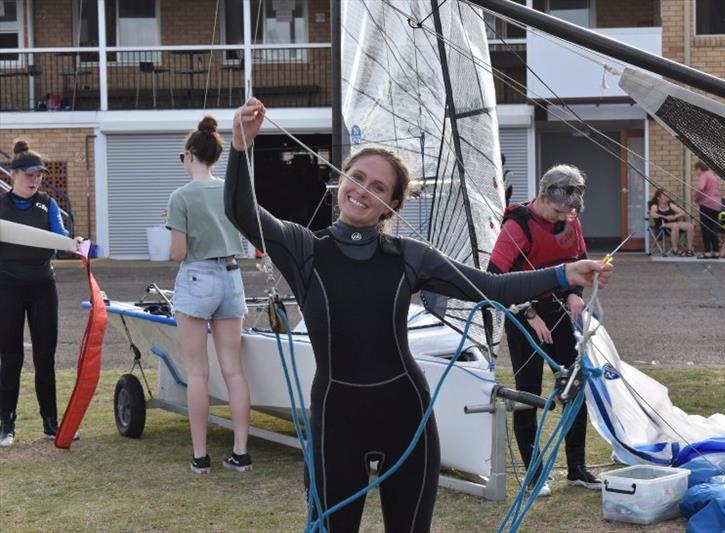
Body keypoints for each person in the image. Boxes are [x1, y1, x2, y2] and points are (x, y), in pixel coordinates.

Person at [225, 98, 613, 531]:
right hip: (336, 419)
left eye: (378, 187)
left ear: (392, 204)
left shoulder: (410, 257)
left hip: (407, 418)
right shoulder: (305, 250)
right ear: (340, 182)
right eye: (357, 178)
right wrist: (240, 147)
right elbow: (242, 212)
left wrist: (564, 273)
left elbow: (493, 287)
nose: (362, 191)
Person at [487, 164, 600, 496]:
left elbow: (578, 262)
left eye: (567, 213)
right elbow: (494, 279)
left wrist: (575, 295)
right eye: (556, 211)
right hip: (524, 315)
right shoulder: (517, 225)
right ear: (541, 197)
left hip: (561, 312)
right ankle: (534, 474)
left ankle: (577, 469)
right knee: (529, 393)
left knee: (574, 385)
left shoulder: (570, 220)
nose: (560, 218)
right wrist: (528, 313)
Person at [166, 116, 252, 474]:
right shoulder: (229, 190)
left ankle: (201, 456)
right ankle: (240, 452)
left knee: (197, 372)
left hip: (198, 277)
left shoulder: (180, 196)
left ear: (189, 155)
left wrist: (173, 224)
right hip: (232, 275)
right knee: (234, 370)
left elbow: (178, 253)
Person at [0, 140, 83, 447]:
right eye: (29, 175)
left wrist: (74, 242)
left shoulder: (47, 204)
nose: (35, 180)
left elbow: (60, 238)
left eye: (39, 175)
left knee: (45, 357)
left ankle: (51, 424)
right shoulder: (1, 205)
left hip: (42, 287)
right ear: (13, 175)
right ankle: (6, 425)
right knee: (10, 358)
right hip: (6, 288)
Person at [649, 188, 695, 256]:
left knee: (690, 226)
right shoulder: (655, 206)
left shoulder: (670, 205)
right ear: (659, 198)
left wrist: (674, 217)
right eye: (664, 196)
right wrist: (665, 217)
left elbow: (682, 212)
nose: (667, 197)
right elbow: (652, 214)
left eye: (667, 195)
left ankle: (689, 249)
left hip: (674, 222)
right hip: (662, 224)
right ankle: (675, 249)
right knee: (675, 226)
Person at [693, 161, 722, 259]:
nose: (696, 173)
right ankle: (716, 252)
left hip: (707, 205)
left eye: (696, 170)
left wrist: (696, 198)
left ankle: (707, 252)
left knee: (706, 229)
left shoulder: (704, 175)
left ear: (699, 169)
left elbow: (700, 188)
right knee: (714, 229)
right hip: (716, 205)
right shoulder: (712, 175)